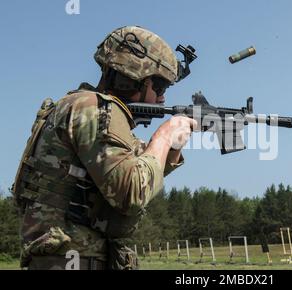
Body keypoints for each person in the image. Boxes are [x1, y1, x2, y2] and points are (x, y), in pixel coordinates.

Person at [11, 26, 196, 270]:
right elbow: (132, 192)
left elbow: (136, 169)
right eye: (159, 88)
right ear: (134, 76)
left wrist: (172, 147)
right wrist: (164, 136)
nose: (162, 99)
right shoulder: (92, 108)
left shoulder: (83, 107)